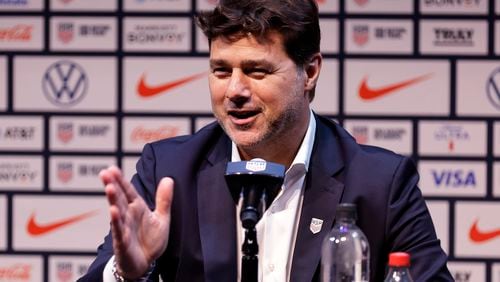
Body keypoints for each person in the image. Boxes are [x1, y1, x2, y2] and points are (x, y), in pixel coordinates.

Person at [79, 0, 453, 281]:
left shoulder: (381, 182)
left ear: (309, 71)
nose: (235, 91)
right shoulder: (170, 172)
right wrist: (126, 273)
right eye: (221, 71)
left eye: (257, 70)